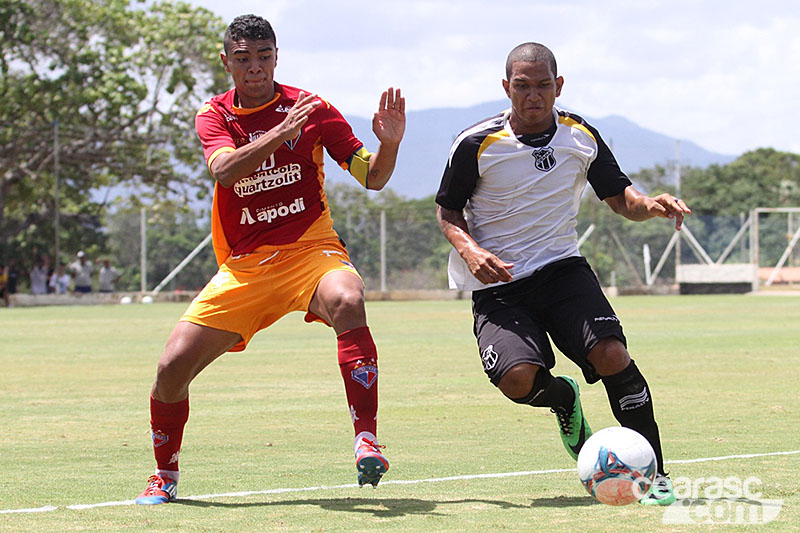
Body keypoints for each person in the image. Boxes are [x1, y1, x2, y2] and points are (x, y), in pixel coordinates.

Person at [134, 14, 405, 505]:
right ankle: (164, 476)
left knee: (347, 297)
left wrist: (389, 144)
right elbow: (226, 171)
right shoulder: (214, 114)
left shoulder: (312, 108)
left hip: (310, 250)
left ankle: (366, 437)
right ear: (226, 62)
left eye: (263, 57)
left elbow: (372, 176)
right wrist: (282, 131)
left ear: (276, 57)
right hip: (245, 267)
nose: (254, 68)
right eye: (243, 59)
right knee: (171, 366)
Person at [435, 42, 690, 506]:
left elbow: (620, 197)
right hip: (501, 285)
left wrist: (651, 205)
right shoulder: (475, 144)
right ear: (506, 87)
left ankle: (655, 473)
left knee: (612, 354)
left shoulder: (580, 135)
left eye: (543, 86)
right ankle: (563, 399)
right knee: (517, 381)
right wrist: (471, 251)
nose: (533, 96)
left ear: (559, 86)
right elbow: (448, 212)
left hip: (562, 271)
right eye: (522, 86)